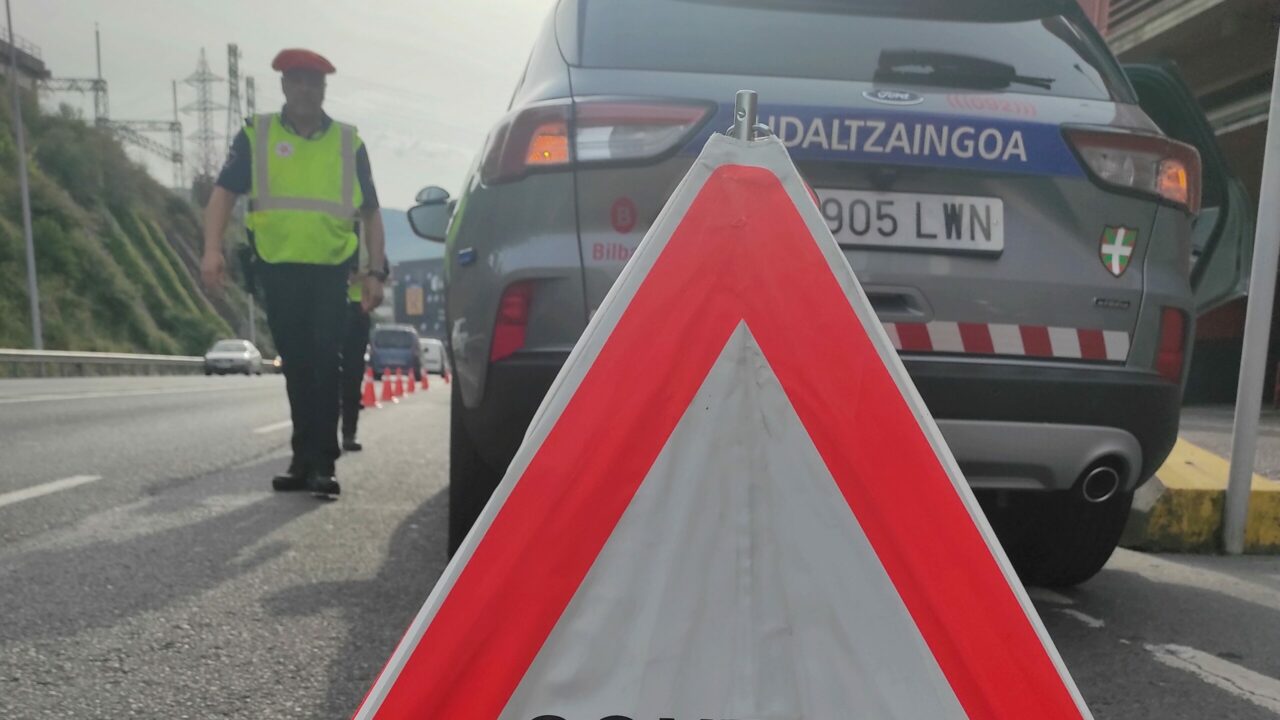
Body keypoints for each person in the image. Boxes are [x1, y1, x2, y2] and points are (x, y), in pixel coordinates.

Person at [201, 48, 386, 498]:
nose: (305, 88)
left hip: (330, 273)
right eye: (297, 80)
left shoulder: (348, 142)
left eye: (313, 81)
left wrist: (375, 272)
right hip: (277, 269)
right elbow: (224, 194)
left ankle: (323, 462)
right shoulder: (256, 135)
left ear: (323, 89)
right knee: (297, 366)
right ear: (283, 85)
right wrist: (211, 250)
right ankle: (303, 459)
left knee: (326, 363)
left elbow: (372, 212)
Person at [339, 256, 387, 452]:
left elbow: (382, 267)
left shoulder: (364, 235)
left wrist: (362, 276)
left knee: (352, 373)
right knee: (323, 371)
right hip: (324, 307)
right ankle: (319, 435)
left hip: (357, 309)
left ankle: (349, 433)